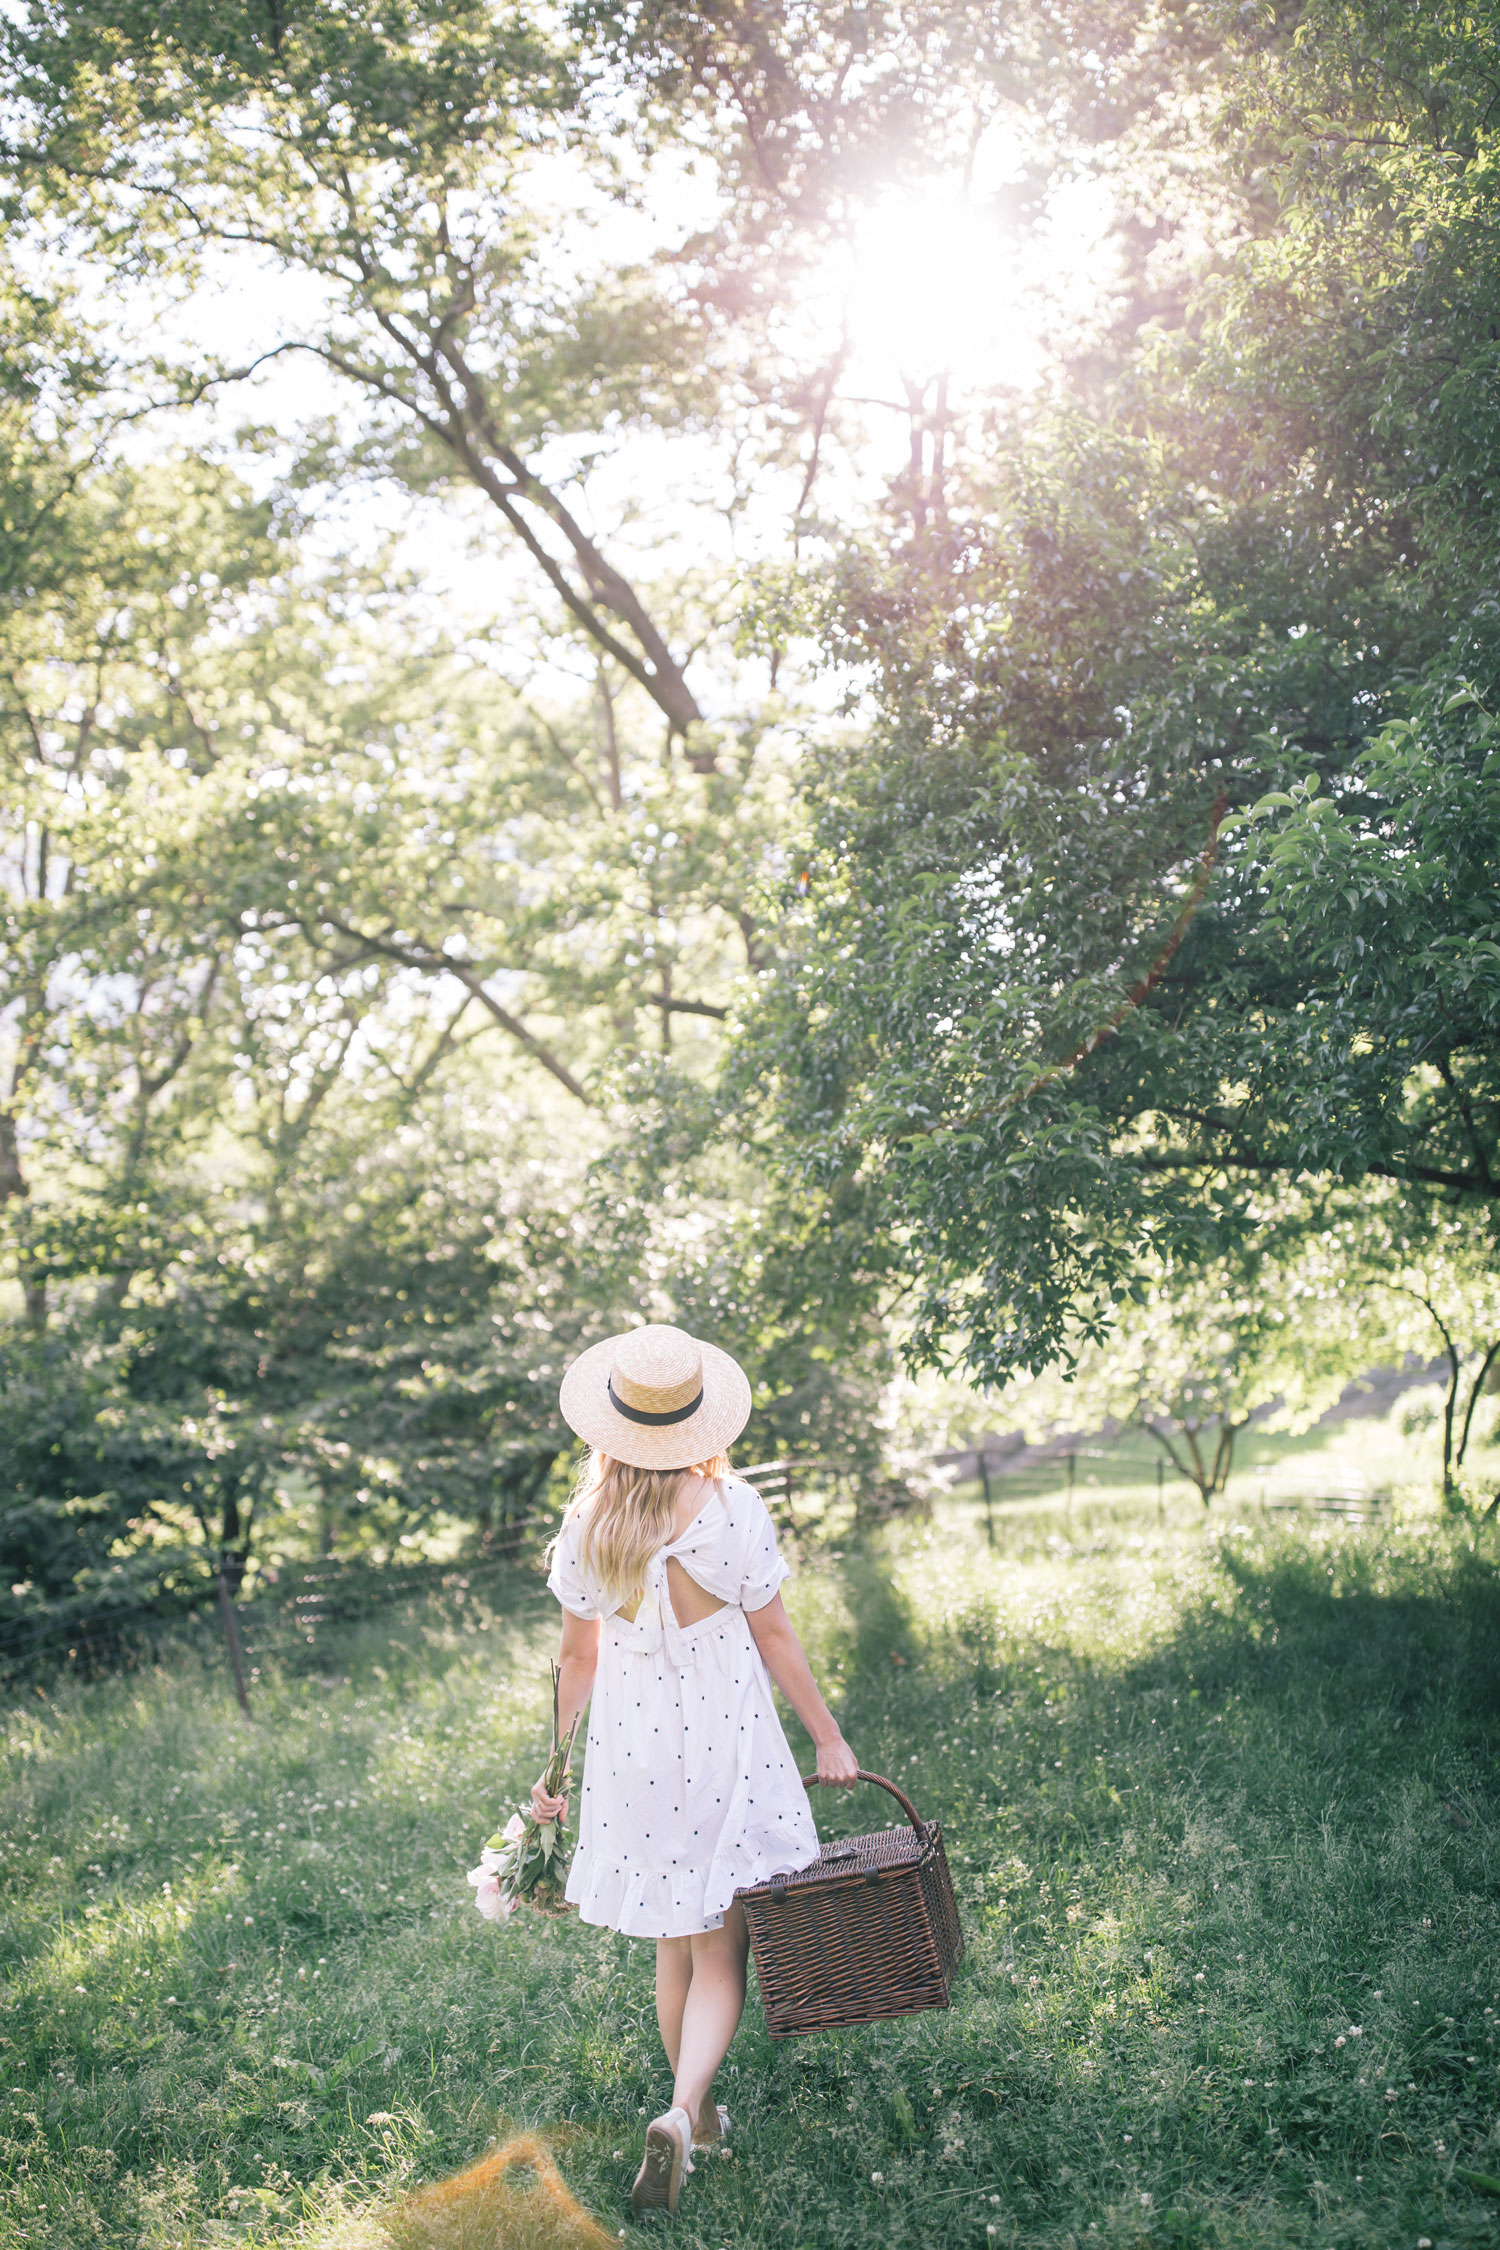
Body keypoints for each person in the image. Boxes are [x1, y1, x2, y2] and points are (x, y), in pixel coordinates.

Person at [533, 1321, 858, 2216]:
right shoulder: (731, 1508)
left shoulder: (589, 1522)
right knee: (724, 1947)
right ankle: (683, 2111)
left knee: (676, 1941)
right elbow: (775, 1633)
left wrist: (555, 1771)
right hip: (725, 1741)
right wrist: (827, 1738)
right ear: (696, 1420)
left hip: (633, 1749)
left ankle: (702, 2113)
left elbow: (577, 1659)